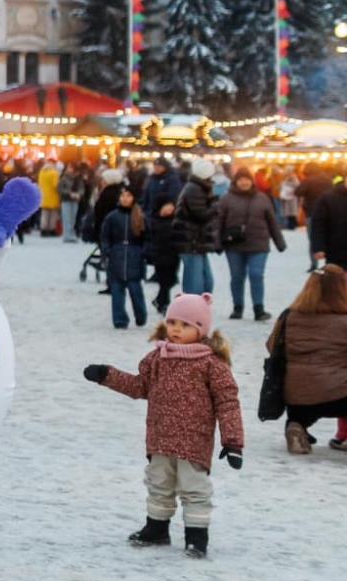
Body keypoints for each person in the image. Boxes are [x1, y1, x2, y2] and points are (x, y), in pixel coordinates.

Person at [82, 293, 243, 558]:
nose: (177, 329)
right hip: (160, 437)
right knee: (159, 483)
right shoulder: (157, 358)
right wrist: (106, 375)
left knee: (194, 488)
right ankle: (156, 528)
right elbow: (139, 387)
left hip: (193, 440)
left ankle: (196, 537)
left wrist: (233, 441)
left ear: (201, 329)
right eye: (172, 322)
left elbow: (227, 401)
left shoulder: (211, 364)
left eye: (185, 325)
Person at [265, 266, 347, 454]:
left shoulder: (289, 316)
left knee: (300, 413)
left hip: (298, 396)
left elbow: (272, 347)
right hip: (341, 394)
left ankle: (296, 426)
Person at [214, 167, 284, 321]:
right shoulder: (226, 199)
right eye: (241, 179)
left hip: (259, 244)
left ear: (251, 181)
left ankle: (259, 309)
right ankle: (237, 307)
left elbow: (272, 221)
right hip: (234, 245)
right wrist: (217, 242)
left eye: (247, 179)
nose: (244, 182)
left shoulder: (262, 198)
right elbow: (218, 222)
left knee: (256, 275)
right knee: (237, 277)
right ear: (236, 181)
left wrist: (279, 242)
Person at [101, 187, 149, 329]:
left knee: (136, 291)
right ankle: (120, 319)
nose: (125, 198)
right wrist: (107, 250)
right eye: (122, 196)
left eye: (128, 195)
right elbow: (105, 236)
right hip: (116, 257)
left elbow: (147, 237)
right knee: (117, 291)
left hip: (135, 257)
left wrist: (144, 252)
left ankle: (141, 316)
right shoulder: (112, 217)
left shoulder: (140, 217)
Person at [175, 159, 219, 295]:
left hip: (196, 241)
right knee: (195, 283)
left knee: (206, 281)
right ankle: (192, 309)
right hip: (191, 240)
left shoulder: (198, 187)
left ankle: (199, 307)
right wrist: (216, 206)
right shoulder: (195, 189)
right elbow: (200, 215)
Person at [145, 195, 180, 315]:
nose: (168, 210)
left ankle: (159, 301)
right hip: (159, 254)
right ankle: (164, 303)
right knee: (164, 281)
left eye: (171, 207)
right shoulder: (153, 221)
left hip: (173, 254)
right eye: (166, 207)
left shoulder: (176, 220)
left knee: (170, 280)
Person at [306, 175, 347, 272]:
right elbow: (318, 224)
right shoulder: (328, 197)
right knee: (337, 284)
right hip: (336, 252)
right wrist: (318, 247)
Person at [60, 162, 88, 244]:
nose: (69, 169)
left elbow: (82, 188)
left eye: (70, 167)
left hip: (75, 200)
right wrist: (69, 193)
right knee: (66, 217)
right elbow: (60, 188)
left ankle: (71, 234)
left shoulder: (79, 178)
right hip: (66, 199)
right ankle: (67, 235)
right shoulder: (64, 177)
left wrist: (79, 194)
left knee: (73, 218)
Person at [37, 158, 61, 237]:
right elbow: (56, 185)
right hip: (53, 196)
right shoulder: (54, 173)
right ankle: (51, 230)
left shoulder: (41, 172)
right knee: (53, 215)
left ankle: (43, 229)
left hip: (43, 196)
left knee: (44, 214)